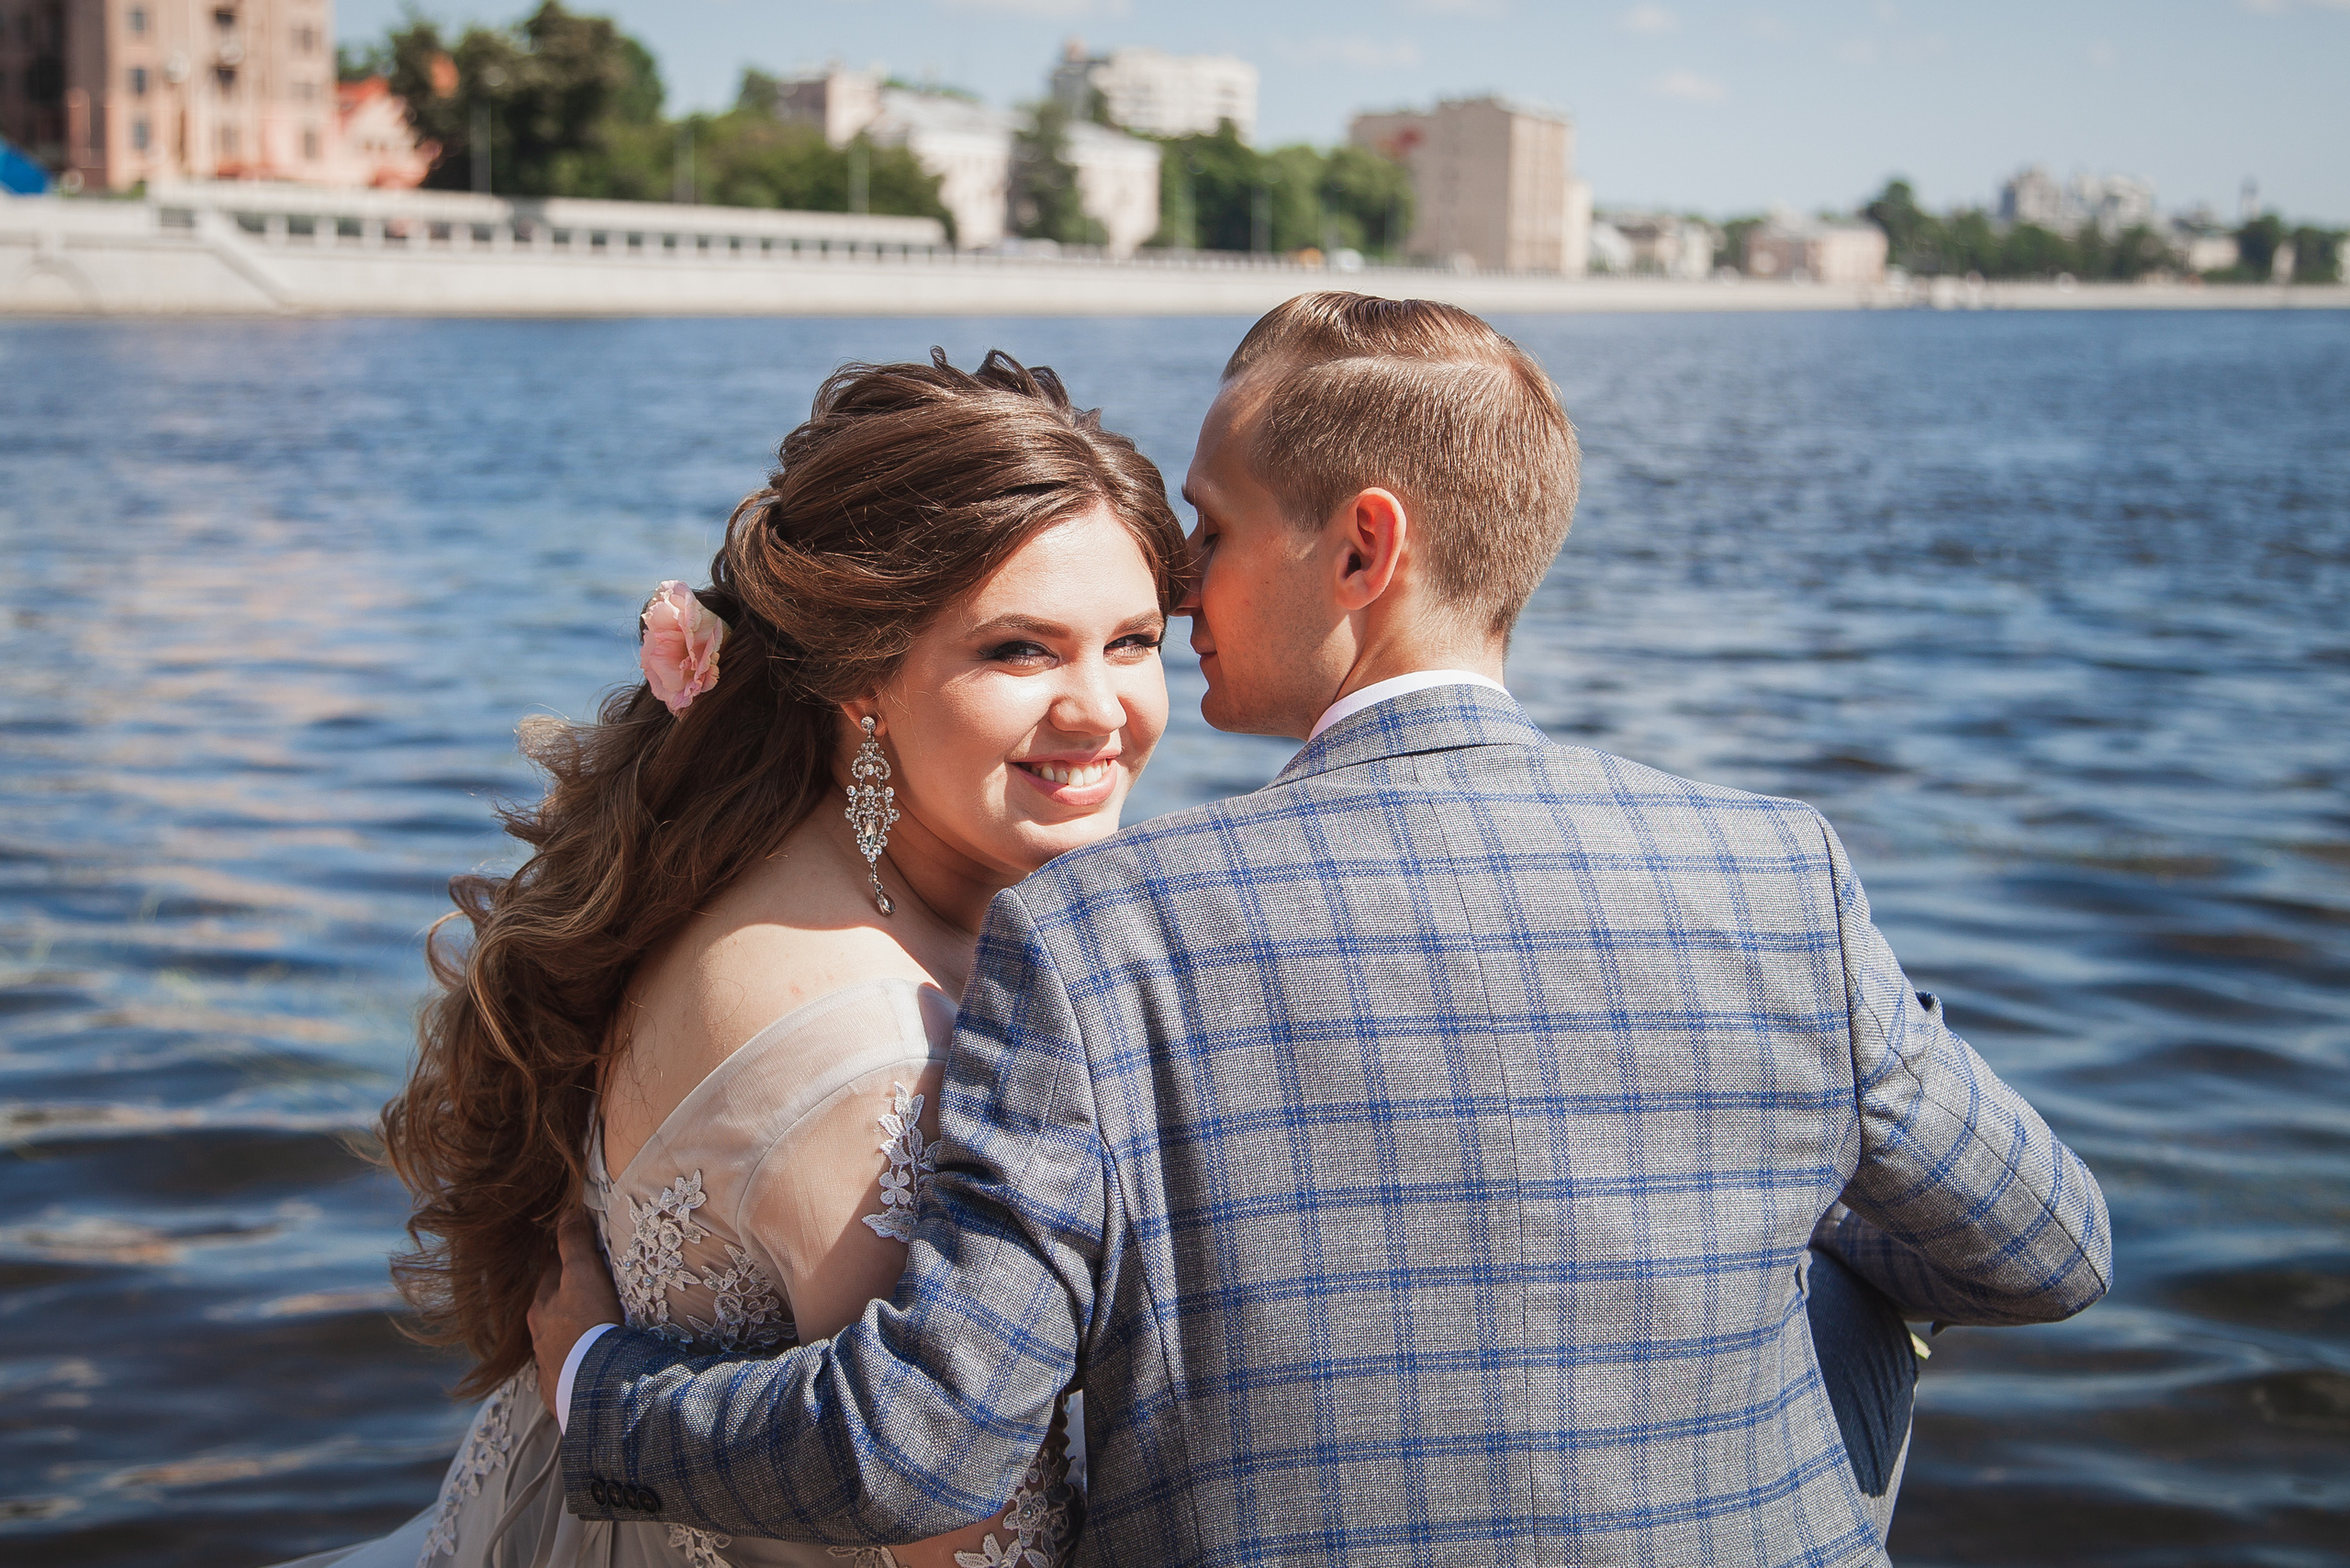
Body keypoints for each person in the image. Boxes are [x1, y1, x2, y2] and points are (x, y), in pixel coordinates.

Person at [535, 292, 2112, 1567]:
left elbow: (922, 1445)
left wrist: (598, 1391)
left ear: (1364, 549)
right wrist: (1743, 1240)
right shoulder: (1780, 875)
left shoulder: (1098, 939)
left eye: (1207, 537)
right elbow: (2046, 1251)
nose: (1191, 586)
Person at [274, 350, 1189, 1568]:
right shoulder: (872, 1057)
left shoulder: (772, 848)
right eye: (1020, 652)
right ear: (864, 683)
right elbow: (971, 1534)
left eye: (1132, 642)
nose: (1099, 709)